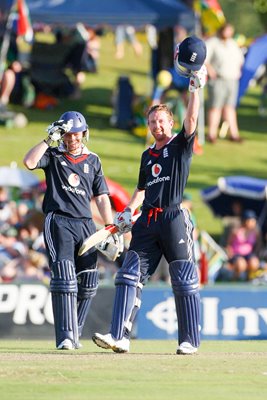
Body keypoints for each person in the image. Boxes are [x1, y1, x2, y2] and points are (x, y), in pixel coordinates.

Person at [92, 36, 207, 355]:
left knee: (182, 279)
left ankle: (189, 341)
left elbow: (193, 120)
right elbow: (142, 190)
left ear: (171, 122)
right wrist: (127, 212)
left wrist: (196, 88)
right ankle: (119, 336)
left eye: (162, 121)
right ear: (149, 125)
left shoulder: (180, 146)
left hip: (173, 217)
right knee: (128, 275)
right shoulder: (147, 156)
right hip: (147, 221)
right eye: (153, 122)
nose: (157, 126)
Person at [23, 111, 115, 350]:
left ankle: (75, 332)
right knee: (64, 278)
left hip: (86, 224)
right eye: (68, 134)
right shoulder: (53, 154)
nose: (72, 139)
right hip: (59, 221)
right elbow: (29, 162)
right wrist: (48, 140)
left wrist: (110, 228)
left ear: (84, 134)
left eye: (76, 134)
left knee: (89, 281)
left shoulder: (93, 160)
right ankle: (65, 336)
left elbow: (102, 197)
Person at [205, 23, 244, 143]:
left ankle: (234, 134)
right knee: (215, 107)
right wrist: (210, 71)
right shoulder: (213, 42)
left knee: (230, 107)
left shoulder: (232, 44)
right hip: (218, 80)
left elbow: (240, 59)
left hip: (232, 80)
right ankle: (211, 134)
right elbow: (204, 59)